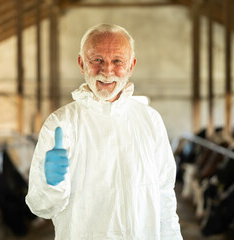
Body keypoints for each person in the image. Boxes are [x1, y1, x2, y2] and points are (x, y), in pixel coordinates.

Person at [26, 23, 183, 240]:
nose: (107, 70)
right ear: (81, 63)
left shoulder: (150, 121)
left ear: (131, 66)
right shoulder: (61, 124)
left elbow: (165, 195)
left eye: (117, 61)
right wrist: (50, 184)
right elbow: (41, 206)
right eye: (97, 60)